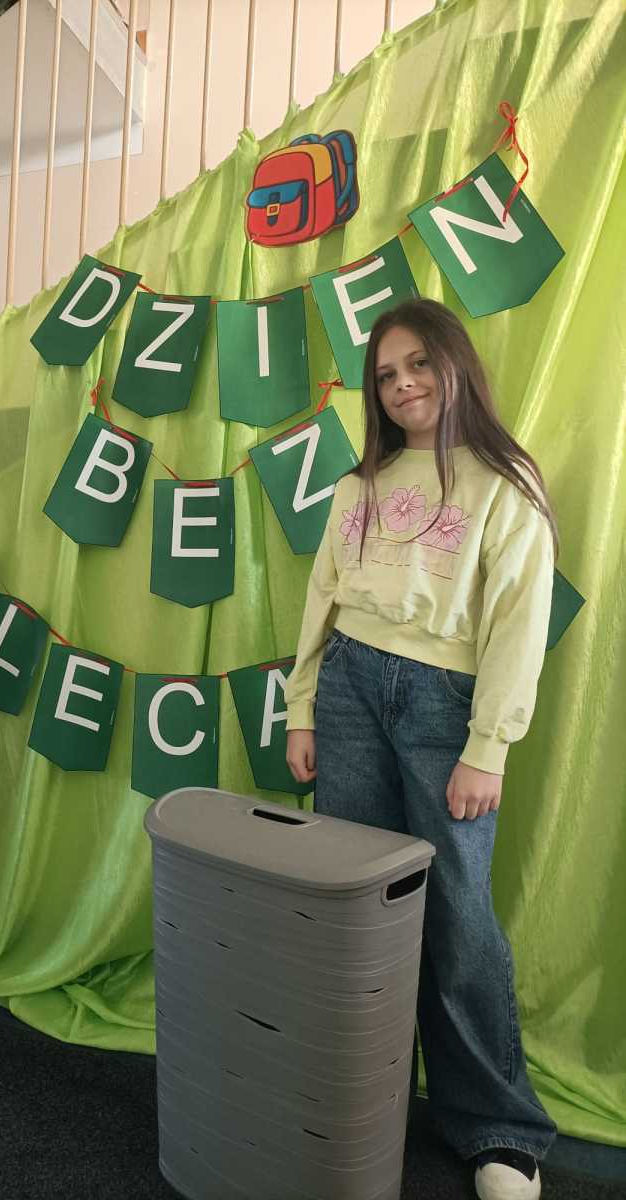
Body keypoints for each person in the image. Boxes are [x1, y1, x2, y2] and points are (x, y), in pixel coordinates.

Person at [285, 299, 558, 1200]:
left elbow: (519, 620)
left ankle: (498, 1128)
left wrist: (490, 745)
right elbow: (323, 596)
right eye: (385, 374)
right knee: (359, 905)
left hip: (447, 705)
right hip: (350, 688)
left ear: (454, 365)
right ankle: (366, 1103)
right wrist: (301, 709)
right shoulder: (359, 483)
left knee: (456, 911)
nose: (402, 384)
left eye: (417, 365)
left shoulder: (505, 481)